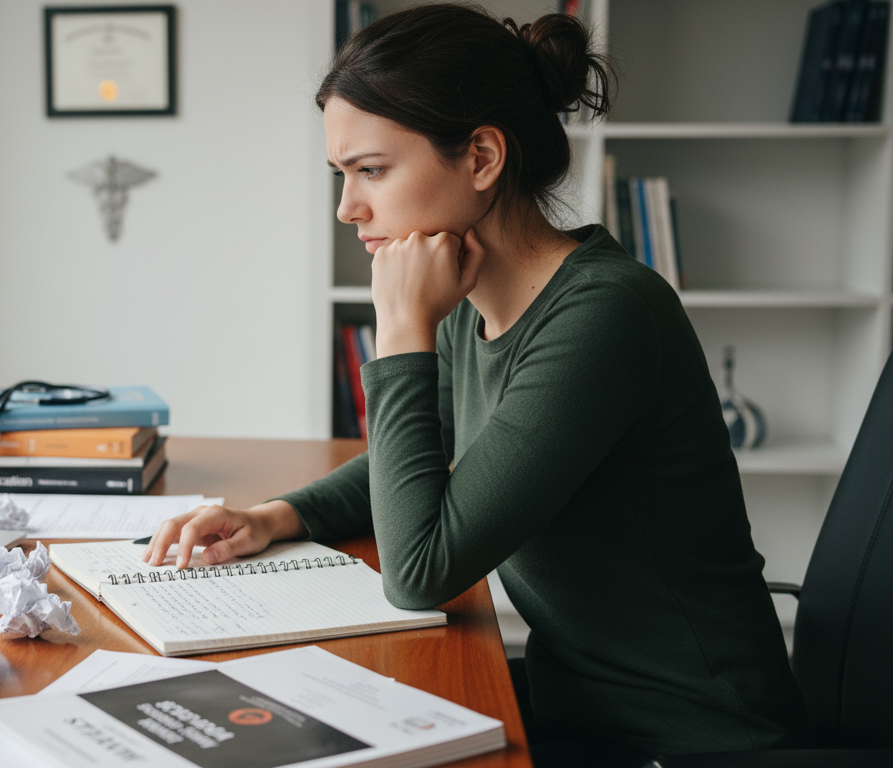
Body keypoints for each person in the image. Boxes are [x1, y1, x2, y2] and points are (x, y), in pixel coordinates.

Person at [143, 4, 808, 767]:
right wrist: (273, 516)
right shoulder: (474, 305)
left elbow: (421, 571)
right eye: (343, 175)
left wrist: (399, 332)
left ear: (483, 157)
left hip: (691, 740)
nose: (347, 208)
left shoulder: (605, 316)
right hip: (583, 708)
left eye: (372, 170)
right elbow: (417, 464)